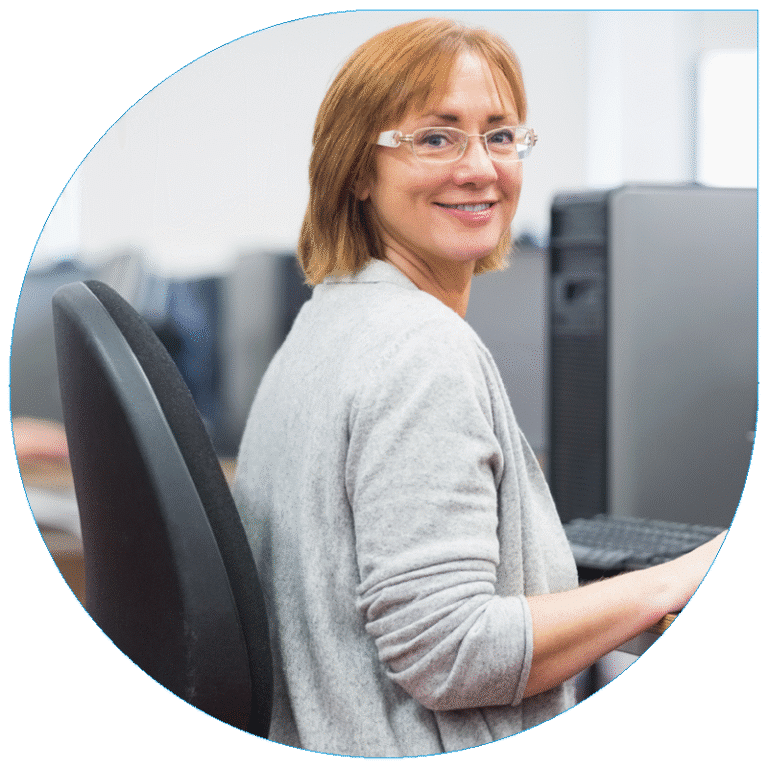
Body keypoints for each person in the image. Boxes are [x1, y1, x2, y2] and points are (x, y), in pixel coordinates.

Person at [233, 17, 725, 758]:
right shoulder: (420, 350)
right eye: (436, 138)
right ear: (357, 172)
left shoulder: (326, 322)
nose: (480, 169)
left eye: (500, 135)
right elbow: (451, 652)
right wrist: (687, 574)